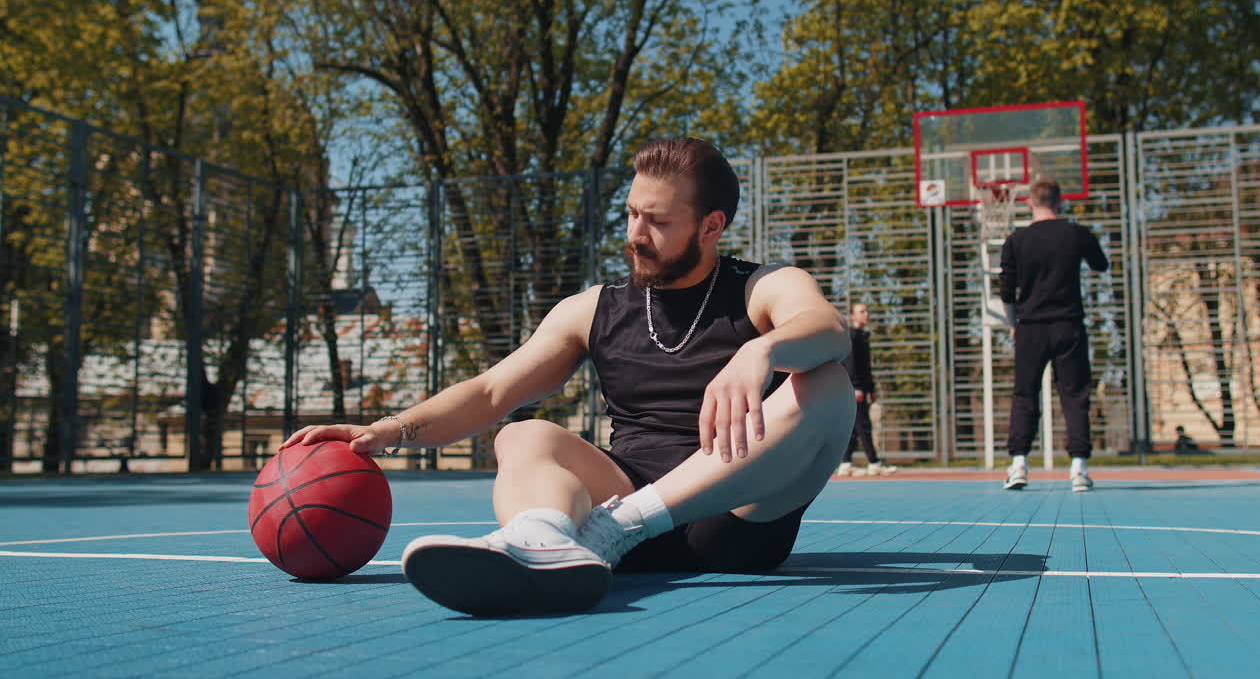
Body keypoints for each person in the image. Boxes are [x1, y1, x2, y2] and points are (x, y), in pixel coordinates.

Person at [282, 137, 855, 615]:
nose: (636, 233)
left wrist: (761, 352)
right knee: (520, 433)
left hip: (734, 520)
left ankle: (614, 530)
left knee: (826, 383)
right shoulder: (593, 308)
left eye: (657, 221)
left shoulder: (761, 286)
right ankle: (542, 538)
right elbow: (490, 392)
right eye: (632, 213)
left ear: (711, 226)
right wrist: (390, 430)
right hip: (615, 508)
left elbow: (826, 327)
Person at [999, 178, 1109, 493]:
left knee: (1024, 395)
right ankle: (1078, 469)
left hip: (1030, 327)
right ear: (1060, 202)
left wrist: (1013, 324)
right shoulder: (1077, 234)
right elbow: (1101, 265)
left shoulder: (1016, 240)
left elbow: (1007, 292)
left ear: (1029, 203)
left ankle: (1018, 464)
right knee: (1074, 395)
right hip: (1068, 325)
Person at [835, 303, 895, 477]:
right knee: (864, 425)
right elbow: (851, 365)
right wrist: (855, 388)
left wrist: (871, 389)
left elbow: (866, 367)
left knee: (854, 428)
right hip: (855, 389)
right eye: (861, 312)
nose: (866, 314)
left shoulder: (863, 336)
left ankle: (846, 463)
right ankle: (874, 462)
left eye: (867, 311)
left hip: (862, 388)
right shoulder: (852, 336)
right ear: (853, 317)